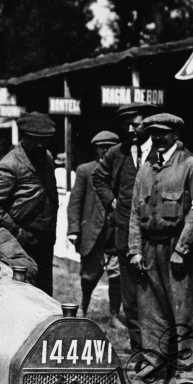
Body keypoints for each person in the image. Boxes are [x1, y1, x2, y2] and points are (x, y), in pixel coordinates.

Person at [128, 113, 193, 379]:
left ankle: (188, 366)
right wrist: (135, 249)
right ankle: (155, 361)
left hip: (178, 248)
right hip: (149, 248)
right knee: (150, 309)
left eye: (164, 133)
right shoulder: (146, 167)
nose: (158, 138)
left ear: (176, 134)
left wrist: (182, 249)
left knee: (183, 310)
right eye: (154, 133)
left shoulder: (192, 166)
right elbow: (135, 211)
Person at [92, 102, 158, 352]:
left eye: (136, 124)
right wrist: (112, 201)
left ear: (148, 124)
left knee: (155, 297)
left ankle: (159, 351)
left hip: (155, 236)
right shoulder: (117, 153)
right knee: (130, 298)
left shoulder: (161, 151)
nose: (131, 130)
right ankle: (139, 352)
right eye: (126, 125)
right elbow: (98, 177)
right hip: (124, 235)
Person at [0, 112, 59, 295]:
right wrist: (15, 230)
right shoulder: (11, 164)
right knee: (24, 291)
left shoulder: (46, 157)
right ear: (23, 137)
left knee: (45, 291)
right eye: (34, 139)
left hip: (45, 237)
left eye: (44, 140)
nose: (40, 145)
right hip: (24, 239)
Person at [67, 131, 123, 320]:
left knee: (117, 275)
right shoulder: (85, 170)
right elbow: (75, 202)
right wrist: (74, 230)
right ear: (96, 149)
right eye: (101, 147)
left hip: (115, 233)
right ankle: (83, 308)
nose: (105, 151)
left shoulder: (123, 171)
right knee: (89, 275)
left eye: (110, 147)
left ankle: (114, 316)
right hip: (92, 232)